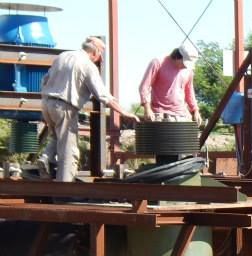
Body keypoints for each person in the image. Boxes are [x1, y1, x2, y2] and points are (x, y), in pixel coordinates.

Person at [39, 36, 138, 182]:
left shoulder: (63, 56)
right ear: (96, 52)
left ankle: (46, 158)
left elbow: (45, 80)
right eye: (101, 54)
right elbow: (103, 96)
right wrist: (124, 112)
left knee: (57, 138)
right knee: (69, 151)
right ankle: (64, 191)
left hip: (47, 103)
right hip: (64, 106)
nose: (100, 58)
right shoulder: (87, 65)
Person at [139, 42, 202, 124]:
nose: (186, 66)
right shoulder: (158, 62)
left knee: (186, 136)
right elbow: (144, 87)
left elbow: (189, 91)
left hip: (181, 114)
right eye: (184, 63)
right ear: (177, 57)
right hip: (160, 114)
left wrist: (195, 110)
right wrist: (147, 108)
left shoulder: (188, 71)